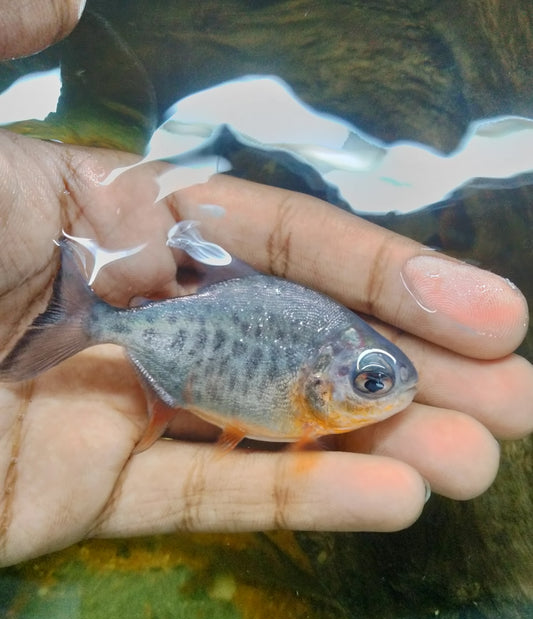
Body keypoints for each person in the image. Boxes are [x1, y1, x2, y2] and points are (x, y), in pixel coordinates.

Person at [0, 0, 532, 567]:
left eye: (373, 383)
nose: (382, 392)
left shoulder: (311, 384)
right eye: (371, 382)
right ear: (329, 378)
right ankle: (83, 323)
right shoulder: (310, 386)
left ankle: (86, 323)